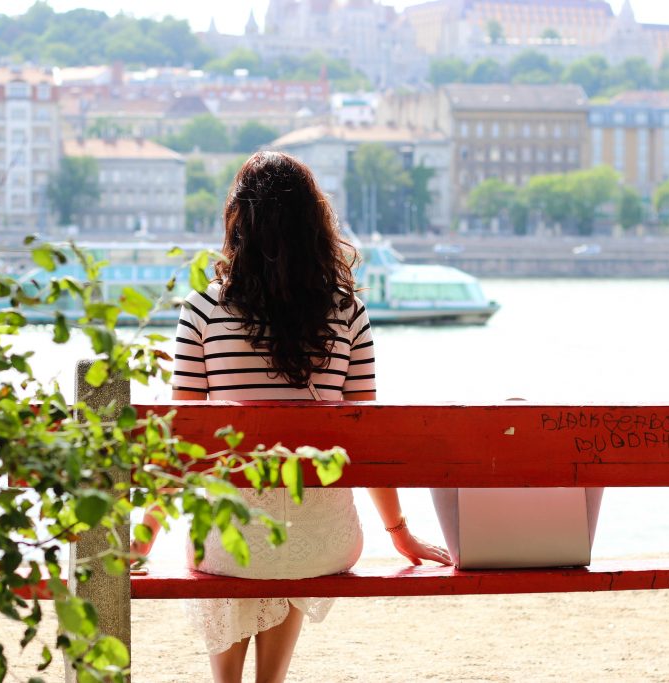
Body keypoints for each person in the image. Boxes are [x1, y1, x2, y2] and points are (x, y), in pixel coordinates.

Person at [132, 151, 451, 683]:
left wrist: (144, 534)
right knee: (290, 532)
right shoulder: (348, 312)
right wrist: (399, 533)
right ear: (315, 226)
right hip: (322, 539)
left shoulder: (203, 310)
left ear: (239, 223)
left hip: (227, 541)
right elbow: (366, 442)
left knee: (234, 525)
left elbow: (180, 442)